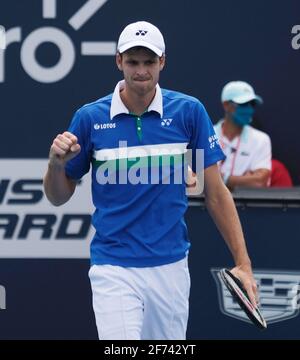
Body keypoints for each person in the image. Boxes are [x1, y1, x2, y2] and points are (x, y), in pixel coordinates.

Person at [43, 21, 258, 340]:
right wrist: (55, 165)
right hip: (113, 266)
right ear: (119, 61)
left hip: (170, 267)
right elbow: (58, 196)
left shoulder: (188, 113)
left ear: (162, 62)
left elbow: (214, 194)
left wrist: (243, 263)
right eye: (132, 61)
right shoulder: (90, 118)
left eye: (149, 62)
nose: (140, 70)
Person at [214, 81, 272, 191]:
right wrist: (243, 179)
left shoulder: (261, 139)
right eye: (243, 104)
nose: (249, 109)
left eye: (252, 104)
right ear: (226, 105)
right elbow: (192, 177)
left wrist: (222, 178)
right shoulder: (205, 134)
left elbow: (259, 182)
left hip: (245, 206)